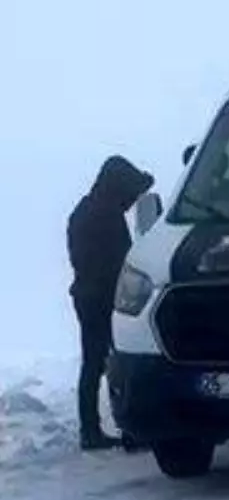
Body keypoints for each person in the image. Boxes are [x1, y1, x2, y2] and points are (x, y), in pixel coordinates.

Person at [67, 155, 155, 451]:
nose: (130, 203)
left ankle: (90, 429)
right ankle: (128, 429)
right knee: (117, 362)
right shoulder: (105, 216)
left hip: (87, 296)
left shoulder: (85, 211)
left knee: (93, 362)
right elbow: (121, 261)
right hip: (104, 299)